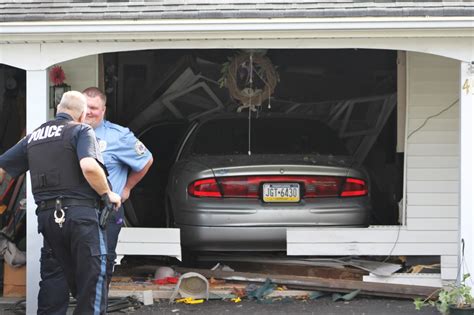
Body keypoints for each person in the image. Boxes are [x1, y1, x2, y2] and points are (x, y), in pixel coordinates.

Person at [0, 91, 122, 314]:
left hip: (48, 220)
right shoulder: (81, 130)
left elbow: (2, 168)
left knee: (54, 276)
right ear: (82, 114)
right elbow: (89, 166)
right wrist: (108, 193)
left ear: (58, 110)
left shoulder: (33, 137)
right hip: (82, 217)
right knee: (92, 280)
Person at [36, 87, 153, 314]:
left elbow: (146, 160)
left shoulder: (119, 136)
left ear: (104, 110)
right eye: (85, 107)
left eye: (94, 108)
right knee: (57, 270)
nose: (89, 112)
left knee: (97, 274)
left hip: (104, 215)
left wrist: (126, 188)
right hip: (69, 213)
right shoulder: (64, 133)